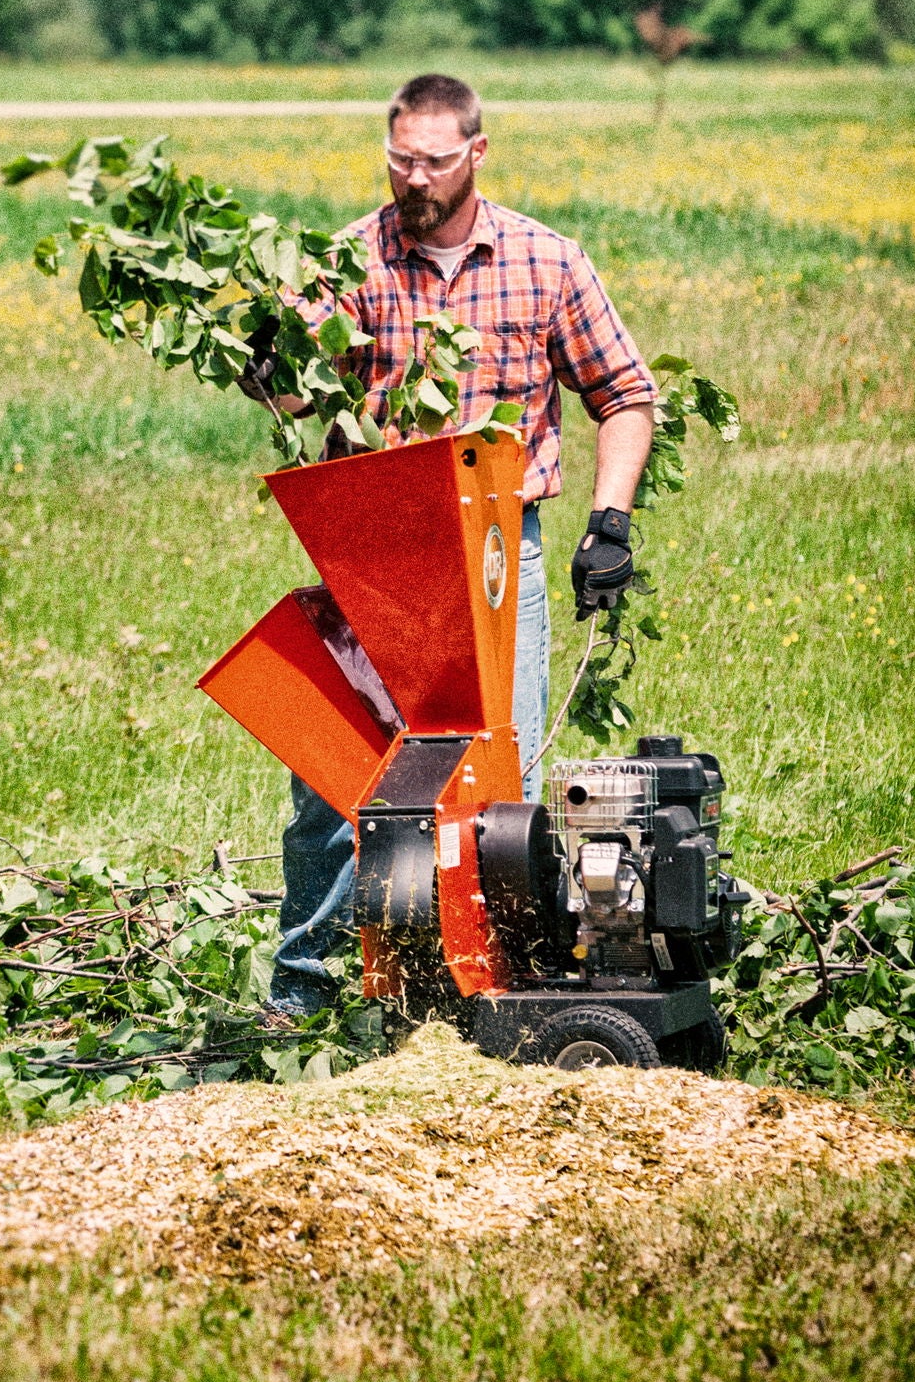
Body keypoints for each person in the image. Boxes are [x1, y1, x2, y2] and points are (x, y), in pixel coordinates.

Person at [266, 70, 658, 1019]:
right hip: (373, 551)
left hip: (495, 556)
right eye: (400, 157)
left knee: (494, 784)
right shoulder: (345, 262)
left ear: (477, 153)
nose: (414, 177)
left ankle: (494, 989)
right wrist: (268, 364)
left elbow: (625, 395)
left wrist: (610, 522)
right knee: (335, 776)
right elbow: (291, 391)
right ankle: (304, 996)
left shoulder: (546, 261)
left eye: (435, 161)